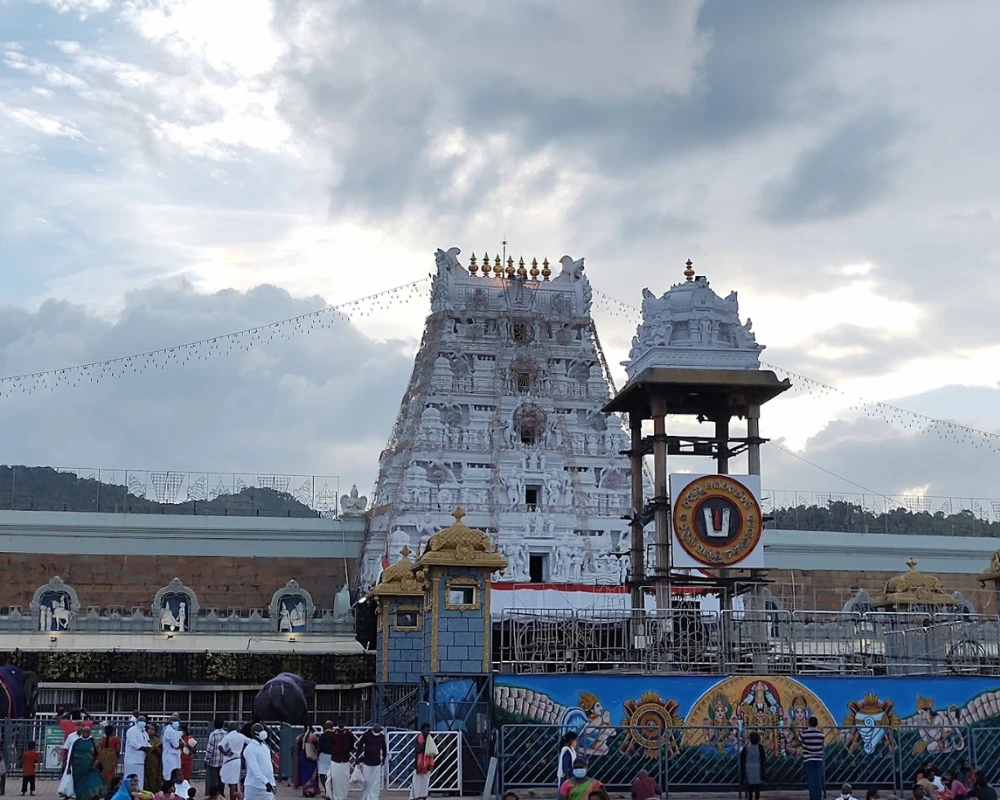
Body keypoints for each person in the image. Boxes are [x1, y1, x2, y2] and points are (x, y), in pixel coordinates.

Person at [70, 722, 108, 800]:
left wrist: (95, 763)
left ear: (90, 733)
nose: (85, 734)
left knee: (91, 785)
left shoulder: (94, 742)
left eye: (87, 732)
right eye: (83, 732)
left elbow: (99, 754)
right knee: (79, 786)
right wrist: (68, 767)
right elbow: (72, 754)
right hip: (77, 770)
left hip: (90, 768)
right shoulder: (77, 742)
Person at [354, 723, 388, 800]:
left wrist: (384, 758)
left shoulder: (381, 736)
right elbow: (360, 745)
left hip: (377, 762)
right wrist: (357, 756)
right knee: (366, 780)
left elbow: (384, 748)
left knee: (376, 781)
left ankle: (374, 797)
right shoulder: (367, 734)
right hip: (367, 761)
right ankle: (365, 797)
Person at [243, 724, 276, 800]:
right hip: (253, 787)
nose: (263, 732)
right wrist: (266, 782)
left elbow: (269, 766)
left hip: (266, 788)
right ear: (255, 733)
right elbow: (254, 768)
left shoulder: (265, 747)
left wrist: (272, 783)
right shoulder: (250, 749)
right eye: (260, 730)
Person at [219, 723, 248, 800]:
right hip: (238, 760)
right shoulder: (241, 736)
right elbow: (250, 741)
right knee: (234, 781)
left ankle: (233, 798)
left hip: (230, 761)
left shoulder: (228, 737)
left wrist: (225, 753)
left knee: (232, 783)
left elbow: (220, 746)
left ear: (228, 729)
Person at [327, 722, 355, 800]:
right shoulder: (333, 735)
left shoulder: (349, 734)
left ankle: (343, 796)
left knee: (345, 779)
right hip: (335, 760)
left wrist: (346, 751)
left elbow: (351, 745)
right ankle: (335, 797)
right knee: (335, 779)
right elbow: (331, 744)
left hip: (345, 760)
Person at [801, 716, 826, 800]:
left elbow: (799, 741)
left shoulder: (804, 734)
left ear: (809, 723)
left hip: (808, 760)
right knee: (818, 781)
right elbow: (822, 746)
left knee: (811, 782)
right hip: (819, 760)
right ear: (817, 724)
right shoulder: (821, 734)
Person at [409, 723, 435, 800]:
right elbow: (416, 749)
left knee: (425, 781)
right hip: (419, 763)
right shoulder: (418, 739)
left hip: (427, 763)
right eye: (427, 730)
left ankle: (423, 795)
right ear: (422, 730)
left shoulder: (430, 738)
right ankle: (414, 796)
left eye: (429, 730)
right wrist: (424, 745)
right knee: (416, 781)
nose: (428, 732)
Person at [125, 717, 151, 792]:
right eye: (141, 721)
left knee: (139, 781)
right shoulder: (132, 730)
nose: (143, 722)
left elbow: (148, 742)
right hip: (131, 760)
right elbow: (133, 743)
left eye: (144, 721)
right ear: (137, 721)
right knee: (130, 781)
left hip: (141, 760)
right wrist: (143, 748)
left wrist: (148, 748)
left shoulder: (144, 733)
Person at [740, 731, 767, 800]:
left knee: (750, 786)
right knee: (757, 787)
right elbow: (763, 758)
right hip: (757, 767)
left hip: (748, 767)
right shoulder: (760, 747)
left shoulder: (747, 747)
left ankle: (750, 797)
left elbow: (742, 757)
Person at [204, 720, 226, 798]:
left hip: (213, 761)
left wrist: (206, 759)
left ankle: (213, 795)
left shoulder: (213, 734)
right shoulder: (226, 734)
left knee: (213, 781)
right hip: (223, 761)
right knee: (222, 780)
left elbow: (210, 748)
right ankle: (221, 794)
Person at [294, 730, 319, 797]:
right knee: (311, 773)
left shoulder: (299, 737)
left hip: (302, 756)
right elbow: (317, 746)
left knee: (304, 774)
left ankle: (305, 790)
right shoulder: (313, 736)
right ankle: (311, 790)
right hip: (310, 757)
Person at [162, 716, 182, 782]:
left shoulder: (174, 731)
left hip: (174, 756)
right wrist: (180, 744)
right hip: (169, 757)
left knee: (175, 775)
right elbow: (176, 745)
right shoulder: (169, 731)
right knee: (169, 776)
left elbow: (181, 743)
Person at [145, 725, 163, 796]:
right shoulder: (144, 738)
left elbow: (160, 753)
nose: (150, 730)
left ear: (155, 732)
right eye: (149, 729)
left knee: (153, 778)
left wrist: (155, 748)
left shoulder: (157, 741)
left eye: (152, 729)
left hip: (154, 764)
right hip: (145, 762)